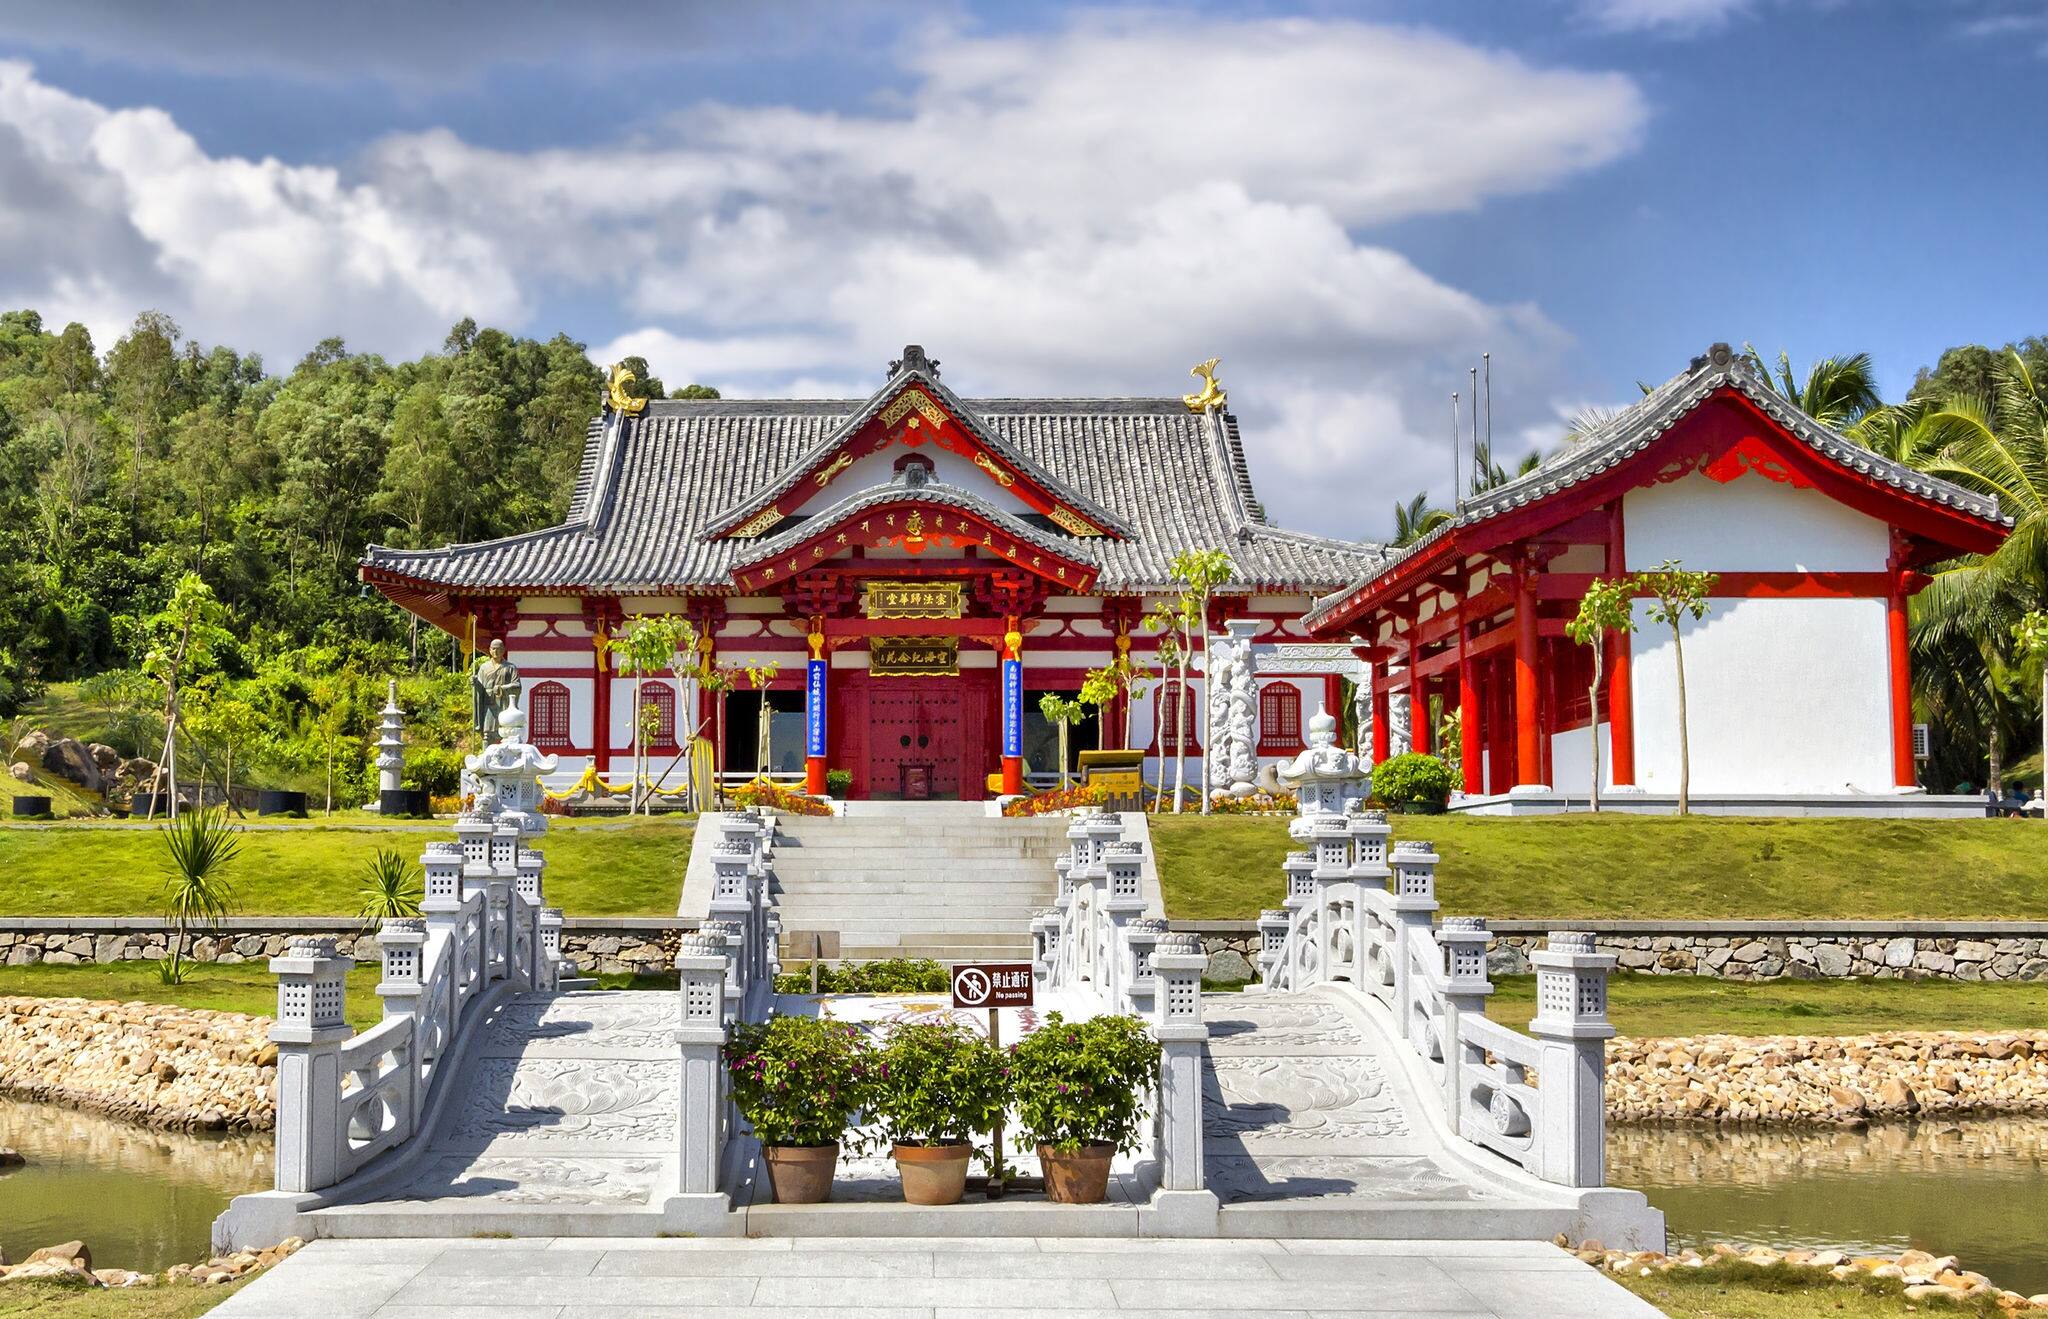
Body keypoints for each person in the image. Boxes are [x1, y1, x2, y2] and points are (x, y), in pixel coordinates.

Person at [470, 638, 522, 742]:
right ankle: (488, 757)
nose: (496, 651)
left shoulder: (510, 667)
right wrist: (475, 683)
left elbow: (517, 686)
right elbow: (480, 688)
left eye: (499, 649)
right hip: (489, 705)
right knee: (488, 734)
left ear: (503, 650)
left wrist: (502, 688)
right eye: (493, 649)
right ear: (489, 650)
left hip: (504, 704)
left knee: (506, 733)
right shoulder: (484, 668)